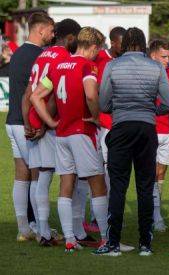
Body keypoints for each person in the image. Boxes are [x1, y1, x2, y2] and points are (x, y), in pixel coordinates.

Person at [95, 27, 169, 257]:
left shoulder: (112, 66)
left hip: (120, 127)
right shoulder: (156, 67)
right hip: (146, 128)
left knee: (118, 186)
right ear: (143, 44)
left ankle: (113, 243)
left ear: (125, 43)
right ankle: (145, 244)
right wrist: (151, 109)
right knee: (145, 186)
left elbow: (103, 103)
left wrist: (118, 108)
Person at [31, 27, 109, 253]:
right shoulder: (87, 65)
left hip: (62, 133)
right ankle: (105, 238)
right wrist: (95, 116)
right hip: (82, 132)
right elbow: (91, 94)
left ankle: (69, 239)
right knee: (97, 184)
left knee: (66, 183)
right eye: (98, 49)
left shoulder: (57, 66)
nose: (97, 54)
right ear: (93, 47)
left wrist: (51, 121)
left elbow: (36, 95)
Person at [22, 18, 81, 247]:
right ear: (69, 38)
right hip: (48, 123)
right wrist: (46, 123)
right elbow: (55, 95)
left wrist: (28, 122)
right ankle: (45, 233)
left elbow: (28, 92)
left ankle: (42, 230)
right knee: (49, 176)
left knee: (39, 177)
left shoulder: (42, 55)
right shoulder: (65, 58)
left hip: (35, 119)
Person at [5, 12, 54, 242]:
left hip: (11, 122)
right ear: (41, 30)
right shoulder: (40, 56)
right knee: (37, 176)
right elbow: (32, 95)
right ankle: (39, 229)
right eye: (51, 31)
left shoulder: (17, 54)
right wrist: (34, 123)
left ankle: (24, 228)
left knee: (21, 176)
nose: (52, 36)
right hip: (26, 125)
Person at [81, 26, 126, 233]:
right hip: (95, 124)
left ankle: (107, 214)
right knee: (92, 172)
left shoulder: (124, 61)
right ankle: (91, 217)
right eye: (121, 43)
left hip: (113, 124)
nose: (124, 47)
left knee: (110, 170)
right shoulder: (96, 59)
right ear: (113, 42)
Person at [149, 39, 169, 232]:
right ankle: (154, 215)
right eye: (163, 56)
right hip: (149, 130)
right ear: (153, 55)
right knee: (150, 174)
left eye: (168, 57)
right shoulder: (146, 75)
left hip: (166, 132)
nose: (167, 60)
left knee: (160, 174)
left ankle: (155, 213)